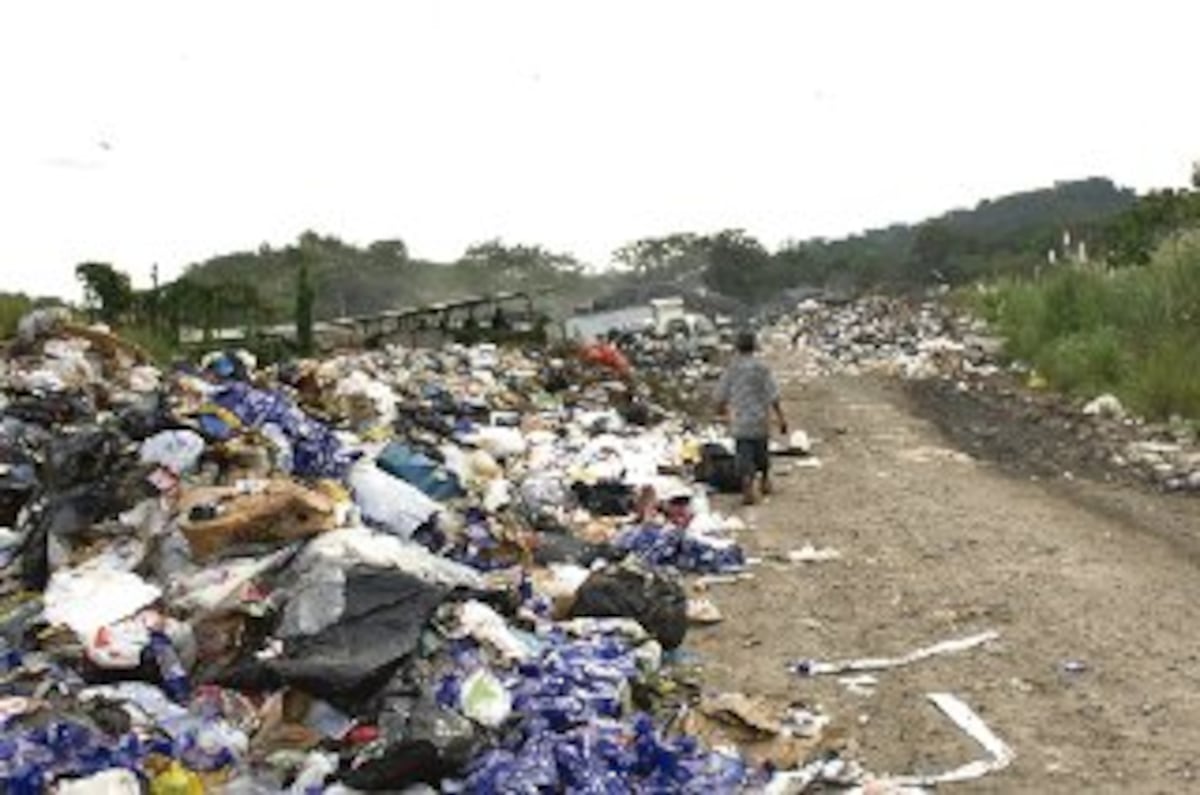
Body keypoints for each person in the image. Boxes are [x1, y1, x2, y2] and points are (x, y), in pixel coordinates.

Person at [714, 330, 788, 505]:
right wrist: (781, 418)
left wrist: (720, 410)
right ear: (754, 347)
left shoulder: (732, 369)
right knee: (761, 452)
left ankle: (747, 483)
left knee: (744, 454)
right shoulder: (762, 368)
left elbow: (720, 394)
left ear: (737, 347)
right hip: (760, 419)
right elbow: (773, 394)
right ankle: (764, 479)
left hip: (740, 420)